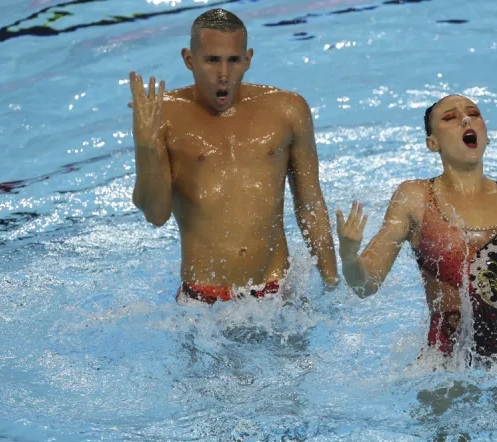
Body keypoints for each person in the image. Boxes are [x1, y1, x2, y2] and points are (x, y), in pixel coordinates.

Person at [335, 94, 497, 365]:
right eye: (450, 117)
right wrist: (349, 258)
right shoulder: (414, 198)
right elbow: (366, 285)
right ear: (432, 143)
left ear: (486, 135)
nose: (465, 119)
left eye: (473, 114)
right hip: (445, 368)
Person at [128, 8, 339, 305]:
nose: (224, 74)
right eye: (212, 60)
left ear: (248, 59)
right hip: (202, 301)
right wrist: (146, 145)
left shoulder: (287, 111)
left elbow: (310, 205)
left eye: (233, 60)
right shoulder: (162, 117)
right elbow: (156, 215)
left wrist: (331, 281)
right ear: (189, 59)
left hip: (276, 291)